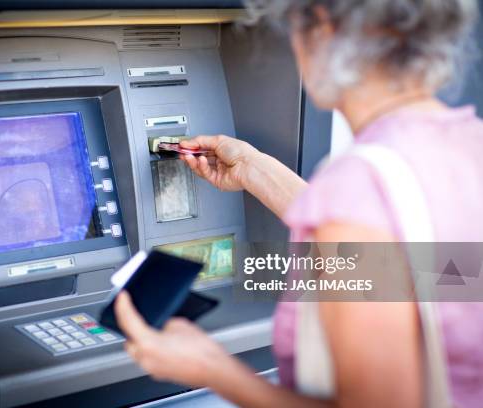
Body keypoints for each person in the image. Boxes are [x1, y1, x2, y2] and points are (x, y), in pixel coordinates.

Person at [114, 0, 483, 406]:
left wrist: (211, 368)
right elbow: (431, 270)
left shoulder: (358, 186)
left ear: (322, 27)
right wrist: (256, 170)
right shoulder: (467, 143)